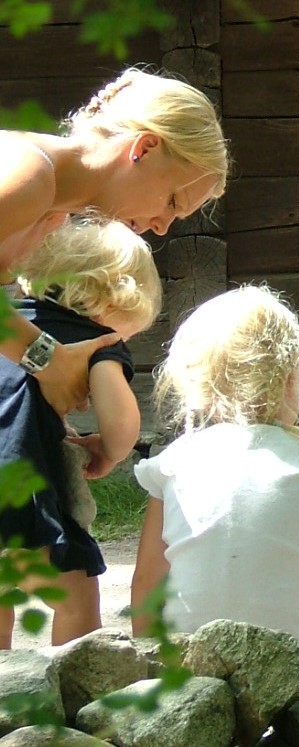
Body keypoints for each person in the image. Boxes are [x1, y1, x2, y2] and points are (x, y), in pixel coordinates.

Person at [130, 285, 299, 651]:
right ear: (290, 379)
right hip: (294, 659)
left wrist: (146, 663)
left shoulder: (173, 462)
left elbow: (146, 580)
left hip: (190, 660)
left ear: (197, 383)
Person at [0, 66, 229, 417]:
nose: (163, 227)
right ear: (145, 148)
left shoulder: (53, 217)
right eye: (171, 202)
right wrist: (47, 358)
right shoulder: (28, 173)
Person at [0, 217, 162, 647]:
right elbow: (122, 426)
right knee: (75, 598)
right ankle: (73, 693)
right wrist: (108, 451)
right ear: (116, 300)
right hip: (18, 499)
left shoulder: (9, 325)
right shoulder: (96, 341)